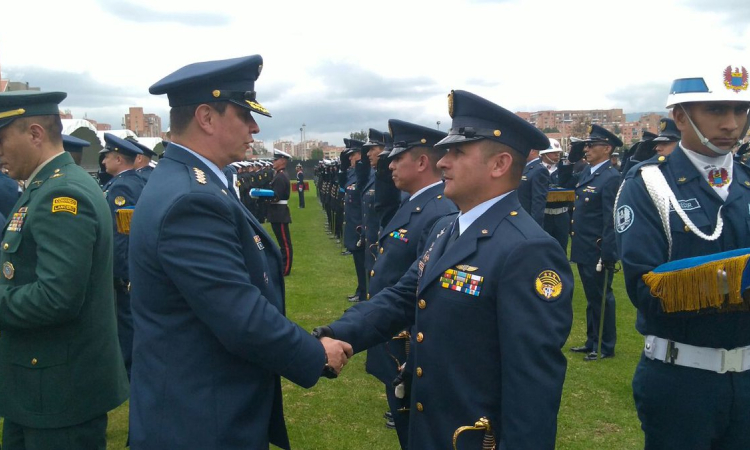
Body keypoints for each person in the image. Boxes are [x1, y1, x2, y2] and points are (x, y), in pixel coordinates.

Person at [317, 90, 573, 450]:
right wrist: (339, 333)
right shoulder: (445, 228)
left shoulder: (527, 250)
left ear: (499, 165)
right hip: (431, 427)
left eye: (457, 153)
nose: (442, 163)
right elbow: (402, 298)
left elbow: (533, 384)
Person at [128, 55, 352, 450]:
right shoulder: (191, 199)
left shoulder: (191, 184)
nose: (255, 127)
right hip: (202, 421)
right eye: (244, 114)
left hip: (201, 409)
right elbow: (241, 317)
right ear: (206, 117)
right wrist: (314, 353)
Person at [615, 61, 750, 450]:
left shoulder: (744, 181)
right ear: (680, 116)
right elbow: (646, 288)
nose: (731, 124)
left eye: (740, 110)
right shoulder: (649, 185)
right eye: (716, 110)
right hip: (682, 379)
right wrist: (740, 281)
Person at [0, 91, 128, 450]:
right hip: (40, 387)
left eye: (1, 139)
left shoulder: (62, 196)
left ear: (36, 134)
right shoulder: (45, 187)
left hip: (58, 393)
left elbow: (57, 297)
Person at [366, 119, 456, 444]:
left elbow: (419, 290)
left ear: (421, 162)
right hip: (393, 339)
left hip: (408, 345)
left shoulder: (438, 211)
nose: (390, 164)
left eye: (397, 157)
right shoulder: (416, 203)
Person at [559, 124, 621, 361]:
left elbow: (611, 219)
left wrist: (607, 252)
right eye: (586, 145)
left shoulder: (611, 177)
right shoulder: (589, 171)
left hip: (597, 249)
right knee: (592, 297)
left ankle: (605, 345)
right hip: (584, 246)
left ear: (606, 148)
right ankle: (592, 340)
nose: (587, 149)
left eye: (591, 145)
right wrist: (569, 161)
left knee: (602, 297)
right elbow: (566, 182)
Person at [100, 133, 147, 380]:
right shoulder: (131, 181)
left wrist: (121, 272)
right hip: (131, 267)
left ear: (119, 158)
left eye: (107, 155)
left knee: (127, 322)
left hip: (125, 270)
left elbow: (123, 233)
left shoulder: (122, 186)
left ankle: (129, 371)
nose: (104, 160)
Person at [541, 138, 572, 251]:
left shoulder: (563, 170)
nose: (557, 155)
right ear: (544, 154)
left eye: (558, 152)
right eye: (554, 152)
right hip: (544, 214)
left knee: (561, 249)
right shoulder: (537, 169)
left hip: (561, 214)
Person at [268, 149, 293, 276]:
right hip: (277, 212)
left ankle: (286, 268)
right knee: (282, 242)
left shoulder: (280, 176)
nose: (273, 161)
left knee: (285, 243)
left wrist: (264, 196)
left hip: (280, 212)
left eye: (276, 159)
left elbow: (276, 196)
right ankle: (283, 265)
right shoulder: (278, 175)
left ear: (282, 161)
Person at [518, 146, 550, 226]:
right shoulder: (525, 167)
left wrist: (534, 225)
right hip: (520, 217)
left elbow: (538, 201)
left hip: (528, 219)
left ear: (532, 151)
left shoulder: (539, 170)